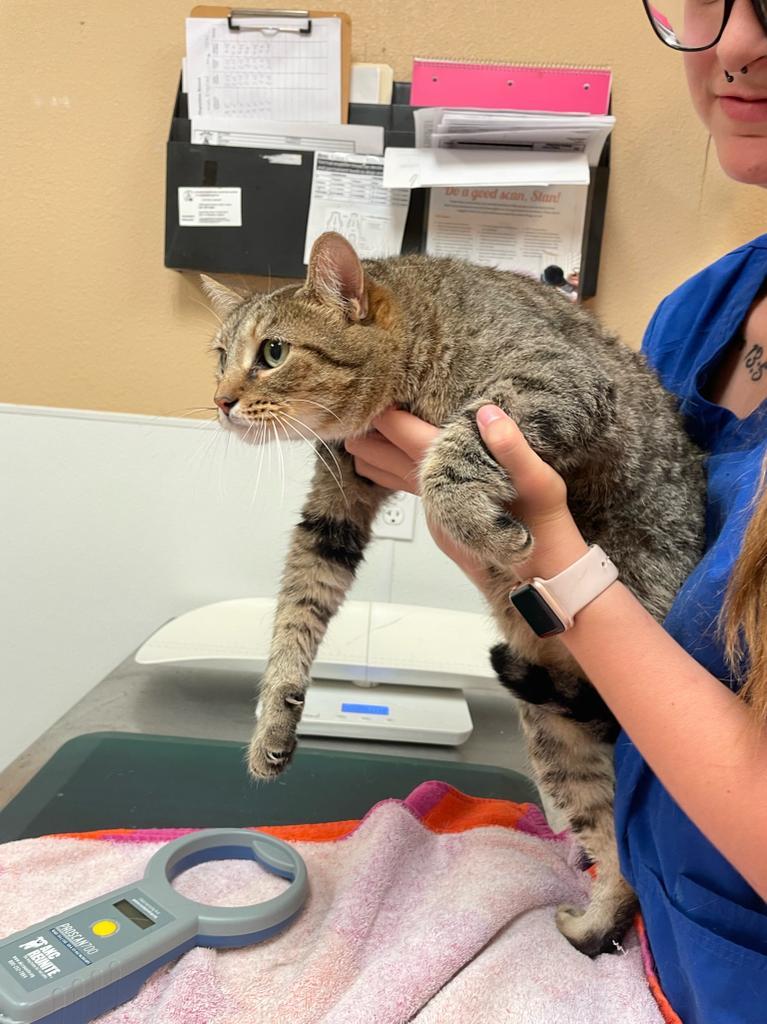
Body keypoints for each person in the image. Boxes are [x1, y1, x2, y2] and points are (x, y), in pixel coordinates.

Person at [344, 2, 767, 1020]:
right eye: (715, 0)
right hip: (654, 946)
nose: (736, 47)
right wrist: (491, 545)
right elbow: (620, 651)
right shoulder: (695, 314)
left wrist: (544, 556)